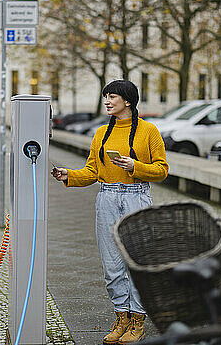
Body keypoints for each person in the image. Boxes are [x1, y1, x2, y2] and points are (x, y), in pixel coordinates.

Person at [51, 79, 169, 344]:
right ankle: (121, 318)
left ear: (127, 101)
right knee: (112, 264)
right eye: (105, 96)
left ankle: (138, 321)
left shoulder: (149, 131)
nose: (106, 101)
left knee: (136, 262)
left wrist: (135, 166)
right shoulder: (101, 132)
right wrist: (67, 175)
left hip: (136, 197)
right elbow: (92, 171)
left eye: (111, 96)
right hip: (107, 198)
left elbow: (162, 169)